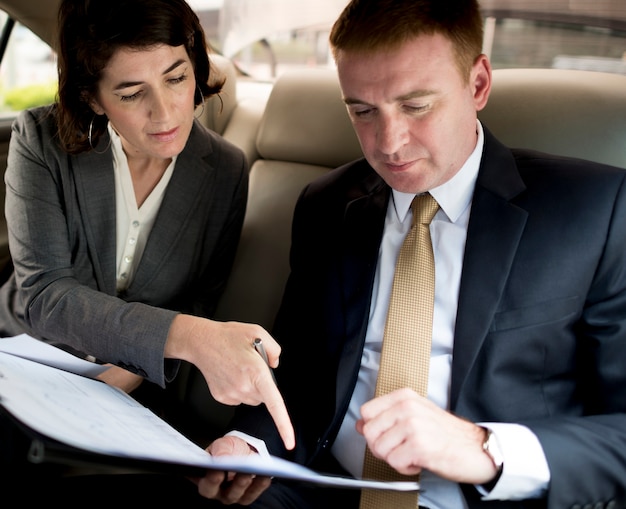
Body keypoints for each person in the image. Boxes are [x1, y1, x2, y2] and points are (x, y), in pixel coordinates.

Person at [198, 0, 626, 508]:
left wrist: (484, 448)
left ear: (479, 84)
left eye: (417, 105)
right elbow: (297, 371)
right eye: (361, 111)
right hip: (322, 489)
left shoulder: (596, 210)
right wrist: (248, 445)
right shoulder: (326, 205)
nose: (389, 143)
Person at [0, 0, 295, 486]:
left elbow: (199, 296)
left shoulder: (225, 169)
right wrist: (191, 338)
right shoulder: (40, 140)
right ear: (94, 98)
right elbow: (46, 295)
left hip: (132, 389)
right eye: (133, 93)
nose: (165, 112)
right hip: (22, 362)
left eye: (177, 78)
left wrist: (124, 376)